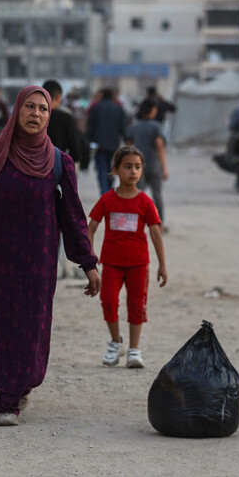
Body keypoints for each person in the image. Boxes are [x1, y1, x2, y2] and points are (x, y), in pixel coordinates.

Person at [0, 86, 101, 427]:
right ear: (17, 110)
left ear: (49, 115)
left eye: (43, 108)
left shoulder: (59, 163)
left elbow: (73, 217)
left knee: (28, 329)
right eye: (29, 106)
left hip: (36, 266)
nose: (35, 114)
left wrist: (88, 263)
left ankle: (8, 399)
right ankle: (12, 388)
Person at [88, 146, 167, 369]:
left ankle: (134, 349)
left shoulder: (145, 202)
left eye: (137, 167)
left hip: (138, 264)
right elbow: (90, 228)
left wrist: (162, 264)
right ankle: (116, 343)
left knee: (137, 305)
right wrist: (90, 255)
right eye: (128, 166)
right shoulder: (107, 200)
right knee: (108, 301)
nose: (133, 171)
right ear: (115, 169)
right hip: (111, 263)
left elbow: (155, 234)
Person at [127, 101, 168, 224]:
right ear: (152, 111)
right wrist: (164, 167)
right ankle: (159, 223)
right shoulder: (157, 126)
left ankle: (137, 223)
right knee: (157, 195)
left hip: (138, 167)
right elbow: (159, 145)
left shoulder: (134, 126)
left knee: (138, 195)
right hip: (154, 165)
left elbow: (128, 146)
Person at [87, 87, 128, 194]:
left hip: (99, 144)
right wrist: (127, 140)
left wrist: (88, 140)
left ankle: (104, 192)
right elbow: (123, 127)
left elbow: (90, 126)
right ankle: (109, 190)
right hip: (114, 144)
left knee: (101, 169)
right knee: (112, 169)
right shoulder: (119, 109)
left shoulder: (96, 108)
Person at [43, 80, 82, 163]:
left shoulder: (35, 116)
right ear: (58, 97)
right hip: (57, 165)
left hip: (34, 166)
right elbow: (75, 151)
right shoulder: (66, 118)